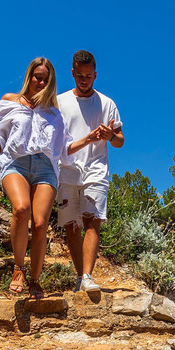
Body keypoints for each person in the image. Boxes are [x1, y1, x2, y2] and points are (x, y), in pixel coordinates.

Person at [0, 58, 75, 295]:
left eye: (46, 79)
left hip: (45, 167)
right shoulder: (9, 101)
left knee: (41, 223)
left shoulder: (54, 113)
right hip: (16, 162)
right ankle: (18, 268)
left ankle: (35, 279)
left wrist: (93, 138)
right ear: (29, 76)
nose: (41, 82)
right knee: (21, 209)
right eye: (37, 77)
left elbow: (65, 147)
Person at [55, 50, 124, 292]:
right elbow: (54, 140)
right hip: (67, 168)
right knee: (71, 225)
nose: (84, 80)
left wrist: (110, 135)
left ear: (95, 75)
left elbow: (120, 141)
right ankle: (79, 276)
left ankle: (87, 276)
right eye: (80, 75)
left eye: (89, 76)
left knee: (92, 220)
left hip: (96, 168)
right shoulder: (60, 101)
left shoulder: (107, 104)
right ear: (72, 73)